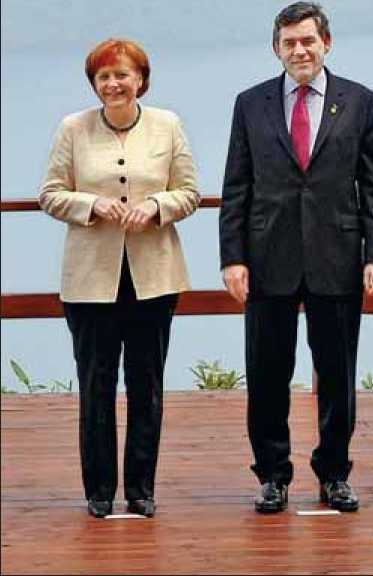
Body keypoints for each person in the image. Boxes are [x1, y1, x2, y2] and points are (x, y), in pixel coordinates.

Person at [219, 2, 373, 513]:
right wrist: (233, 258)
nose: (299, 50)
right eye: (289, 42)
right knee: (267, 375)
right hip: (266, 257)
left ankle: (334, 474)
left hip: (337, 256)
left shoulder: (360, 101)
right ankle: (272, 475)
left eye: (308, 41)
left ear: (326, 44)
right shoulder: (249, 104)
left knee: (338, 375)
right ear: (276, 48)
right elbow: (236, 187)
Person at [40, 39, 199, 518]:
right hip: (91, 280)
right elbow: (51, 194)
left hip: (154, 277)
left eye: (122, 75)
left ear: (140, 79)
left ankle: (141, 489)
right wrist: (91, 204)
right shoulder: (73, 128)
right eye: (104, 77)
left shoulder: (167, 124)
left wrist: (156, 206)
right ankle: (99, 491)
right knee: (96, 384)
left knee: (146, 384)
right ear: (94, 83)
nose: (113, 84)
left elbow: (189, 192)